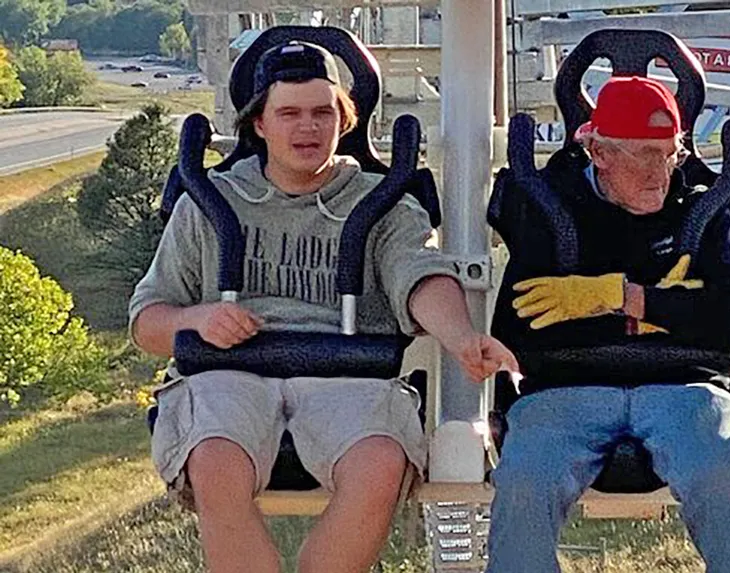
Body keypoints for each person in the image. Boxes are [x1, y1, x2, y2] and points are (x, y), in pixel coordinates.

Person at [129, 40, 517, 573]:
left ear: (345, 118)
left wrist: (461, 338)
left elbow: (420, 276)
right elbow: (147, 321)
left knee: (379, 463)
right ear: (259, 124)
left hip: (347, 371)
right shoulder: (209, 201)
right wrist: (196, 320)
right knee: (215, 462)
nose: (307, 128)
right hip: (230, 372)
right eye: (289, 113)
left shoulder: (382, 202)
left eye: (322, 112)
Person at [486, 76, 730, 573]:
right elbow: (520, 325)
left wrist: (622, 299)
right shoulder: (546, 205)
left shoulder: (703, 209)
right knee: (525, 480)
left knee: (724, 471)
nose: (659, 173)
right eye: (642, 154)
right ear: (598, 153)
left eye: (669, 154)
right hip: (565, 388)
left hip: (685, 389)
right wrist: (676, 310)